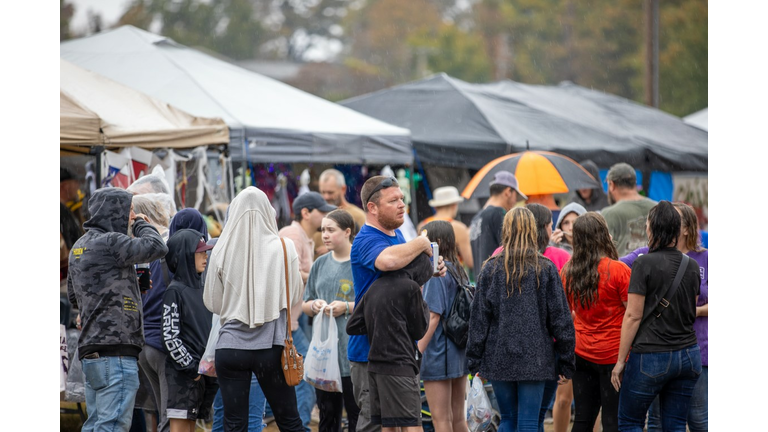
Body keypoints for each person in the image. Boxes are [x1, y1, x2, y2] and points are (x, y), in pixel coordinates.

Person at [349, 175, 446, 432]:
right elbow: (387, 262)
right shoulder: (367, 238)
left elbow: (404, 278)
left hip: (400, 348)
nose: (402, 204)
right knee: (374, 426)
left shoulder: (398, 234)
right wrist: (421, 243)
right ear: (372, 207)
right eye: (393, 201)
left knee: (397, 426)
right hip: (369, 351)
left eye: (402, 198)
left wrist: (431, 268)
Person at [203, 186, 305, 432]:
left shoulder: (220, 250)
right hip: (269, 348)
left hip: (229, 347)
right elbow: (294, 296)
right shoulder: (284, 247)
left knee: (234, 423)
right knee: (289, 421)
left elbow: (212, 303)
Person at [67, 187, 168, 432]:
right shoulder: (112, 241)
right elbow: (157, 247)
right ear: (116, 210)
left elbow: (74, 297)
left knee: (95, 423)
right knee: (113, 425)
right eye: (130, 209)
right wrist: (142, 225)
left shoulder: (78, 247)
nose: (132, 214)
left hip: (91, 352)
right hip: (116, 353)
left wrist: (126, 284)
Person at [466, 207, 575, 432]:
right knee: (528, 421)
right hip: (536, 357)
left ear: (506, 230)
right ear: (533, 231)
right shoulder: (545, 268)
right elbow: (561, 320)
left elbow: (478, 320)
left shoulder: (491, 269)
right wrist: (566, 358)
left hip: (499, 355)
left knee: (507, 418)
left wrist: (474, 359)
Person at [610, 201, 702, 432]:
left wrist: (620, 362)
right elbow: (689, 311)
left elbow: (632, 315)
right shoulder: (691, 265)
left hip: (651, 355)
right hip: (688, 355)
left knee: (630, 422)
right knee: (676, 425)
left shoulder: (643, 263)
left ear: (652, 229)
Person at [346, 253, 433, 432]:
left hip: (376, 366)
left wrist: (379, 326)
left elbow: (352, 326)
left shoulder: (375, 286)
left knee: (388, 424)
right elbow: (419, 330)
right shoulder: (411, 287)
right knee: (413, 424)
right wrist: (423, 306)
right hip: (401, 365)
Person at [561, 213, 630, 432]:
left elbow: (566, 315)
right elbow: (634, 314)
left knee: (582, 418)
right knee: (612, 420)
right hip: (614, 357)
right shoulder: (619, 271)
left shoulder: (568, 272)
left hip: (581, 354)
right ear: (603, 235)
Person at [279, 191, 336, 430]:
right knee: (307, 373)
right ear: (305, 213)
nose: (325, 216)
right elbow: (285, 270)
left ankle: (294, 422)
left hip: (295, 316)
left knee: (299, 374)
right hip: (286, 319)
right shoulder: (293, 234)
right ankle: (299, 425)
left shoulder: (302, 235)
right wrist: (320, 270)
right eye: (321, 212)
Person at [302, 209, 361, 432]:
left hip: (352, 354)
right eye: (323, 230)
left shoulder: (360, 263)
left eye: (330, 230)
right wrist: (315, 305)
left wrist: (346, 307)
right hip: (324, 356)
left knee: (357, 416)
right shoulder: (319, 264)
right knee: (327, 418)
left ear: (347, 232)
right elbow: (306, 304)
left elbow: (372, 305)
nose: (324, 235)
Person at [162, 229, 217, 432]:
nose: (205, 256)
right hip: (183, 375)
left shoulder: (203, 288)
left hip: (201, 374)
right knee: (180, 428)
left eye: (206, 252)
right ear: (184, 255)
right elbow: (169, 336)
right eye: (200, 252)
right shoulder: (175, 291)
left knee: (191, 427)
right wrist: (191, 367)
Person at [417, 220, 470, 432]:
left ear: (435, 242)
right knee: (458, 419)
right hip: (458, 350)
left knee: (441, 420)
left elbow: (433, 316)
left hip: (439, 352)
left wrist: (417, 351)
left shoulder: (436, 271)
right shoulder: (459, 269)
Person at [132, 194, 175, 432]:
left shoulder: (133, 251)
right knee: (172, 417)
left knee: (162, 413)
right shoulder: (167, 246)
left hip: (144, 343)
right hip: (163, 342)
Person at [469, 171, 527, 278]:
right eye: (516, 197)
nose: (515, 202)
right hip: (496, 283)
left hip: (481, 285)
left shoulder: (475, 219)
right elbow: (510, 251)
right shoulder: (499, 213)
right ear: (508, 192)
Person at [600, 163, 657, 256]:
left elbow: (602, 252)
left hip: (623, 269)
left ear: (611, 185)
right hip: (655, 268)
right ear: (634, 183)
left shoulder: (609, 213)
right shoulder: (657, 207)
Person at [417, 186, 474, 271]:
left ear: (435, 207)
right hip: (452, 274)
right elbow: (470, 262)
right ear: (454, 205)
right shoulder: (459, 228)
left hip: (429, 274)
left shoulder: (422, 225)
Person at [315, 169, 367, 256]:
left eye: (330, 192)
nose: (326, 197)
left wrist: (335, 249)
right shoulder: (316, 215)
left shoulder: (358, 216)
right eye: (323, 192)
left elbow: (365, 248)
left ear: (343, 189)